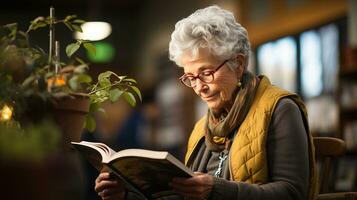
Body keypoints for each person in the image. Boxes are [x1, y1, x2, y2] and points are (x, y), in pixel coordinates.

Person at [94, 5, 317, 200]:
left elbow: (292, 193)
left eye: (206, 73)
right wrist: (126, 195)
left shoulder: (279, 109)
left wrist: (218, 190)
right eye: (190, 77)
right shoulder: (202, 128)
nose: (199, 86)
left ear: (238, 64)